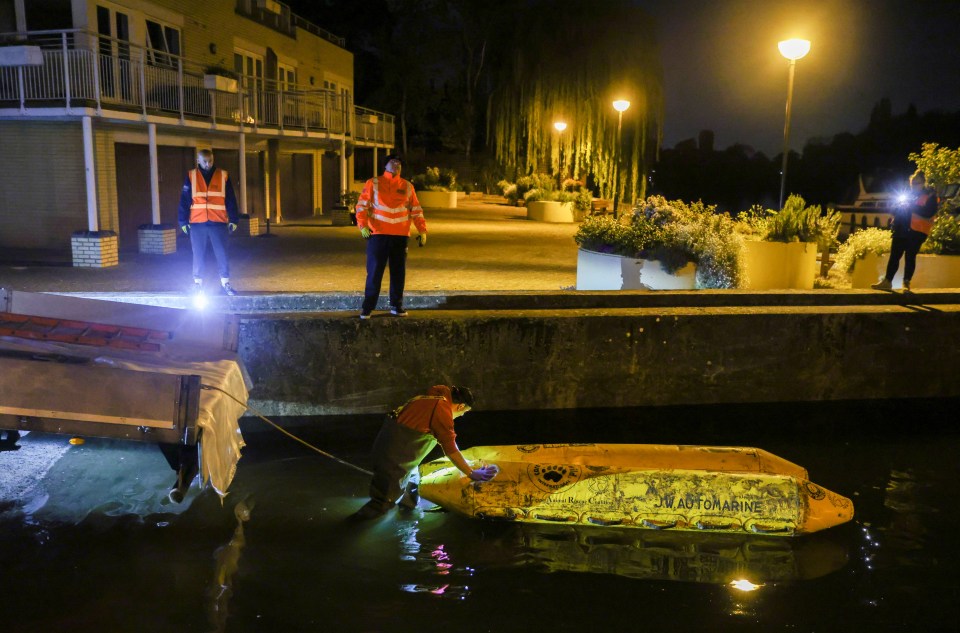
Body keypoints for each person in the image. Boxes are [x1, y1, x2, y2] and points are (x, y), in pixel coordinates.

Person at [353, 385, 498, 519]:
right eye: (463, 413)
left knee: (412, 485)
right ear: (460, 406)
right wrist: (471, 472)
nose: (461, 416)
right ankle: (353, 528)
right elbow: (450, 448)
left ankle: (409, 512)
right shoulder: (441, 409)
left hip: (397, 452)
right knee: (383, 502)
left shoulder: (431, 398)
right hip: (394, 460)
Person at [355, 154, 426, 319]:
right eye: (393, 162)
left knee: (398, 273)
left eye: (399, 163)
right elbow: (361, 206)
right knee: (374, 273)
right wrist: (362, 226)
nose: (397, 165)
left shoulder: (407, 186)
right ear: (385, 165)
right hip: (378, 235)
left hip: (400, 237)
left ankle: (396, 305)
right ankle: (367, 308)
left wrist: (422, 230)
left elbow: (416, 210)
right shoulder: (373, 183)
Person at [178, 149, 240, 296]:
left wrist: (234, 218)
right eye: (204, 161)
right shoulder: (191, 176)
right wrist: (182, 221)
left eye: (210, 161)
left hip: (218, 221)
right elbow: (184, 200)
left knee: (222, 254)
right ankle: (197, 285)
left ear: (213, 159)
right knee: (198, 255)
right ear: (198, 160)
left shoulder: (223, 175)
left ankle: (225, 284)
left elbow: (230, 198)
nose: (208, 164)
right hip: (197, 222)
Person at [872, 170, 939, 292]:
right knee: (894, 256)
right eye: (912, 183)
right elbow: (893, 210)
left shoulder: (930, 196)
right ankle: (887, 281)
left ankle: (906, 282)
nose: (914, 186)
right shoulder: (907, 194)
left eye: (917, 183)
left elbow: (930, 212)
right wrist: (898, 207)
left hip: (916, 232)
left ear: (924, 183)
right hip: (901, 229)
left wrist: (912, 206)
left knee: (910, 257)